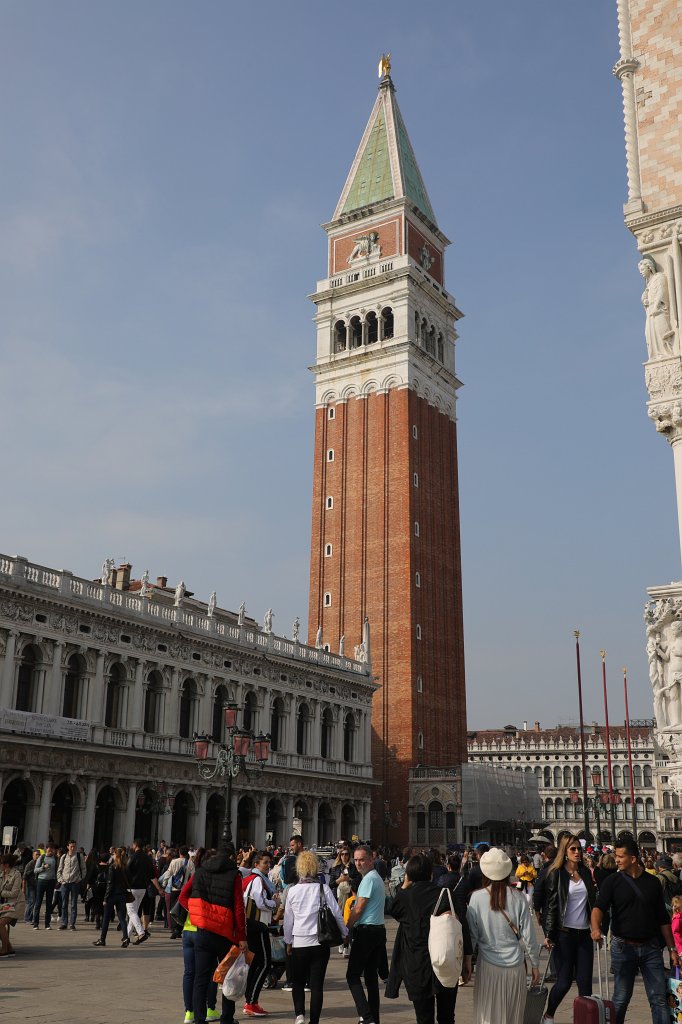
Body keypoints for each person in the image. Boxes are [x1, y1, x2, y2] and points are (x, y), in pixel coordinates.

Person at [591, 836, 679, 1024]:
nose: (617, 860)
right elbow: (598, 908)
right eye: (616, 856)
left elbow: (663, 919)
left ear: (633, 858)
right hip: (623, 947)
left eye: (620, 856)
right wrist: (596, 929)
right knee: (621, 999)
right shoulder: (612, 881)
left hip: (651, 948)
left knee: (659, 999)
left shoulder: (653, 882)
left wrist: (672, 950)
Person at [388, 853, 472, 1024]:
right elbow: (462, 927)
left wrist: (404, 884)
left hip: (417, 965)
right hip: (446, 960)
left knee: (423, 1018)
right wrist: (467, 960)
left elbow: (392, 909)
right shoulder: (445, 894)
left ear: (409, 875)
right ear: (431, 874)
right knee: (447, 1016)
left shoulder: (406, 897)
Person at [466, 847, 540, 1024]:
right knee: (513, 1016)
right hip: (515, 966)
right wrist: (535, 964)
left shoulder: (476, 898)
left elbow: (472, 936)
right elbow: (529, 936)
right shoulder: (519, 897)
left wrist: (467, 962)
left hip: (488, 966)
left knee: (488, 1015)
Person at [283, 849, 347, 1024]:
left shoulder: (293, 891)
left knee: (297, 981)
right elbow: (336, 913)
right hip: (320, 942)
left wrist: (288, 941)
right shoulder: (323, 888)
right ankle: (315, 1021)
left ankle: (299, 1015)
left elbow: (288, 920)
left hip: (300, 942)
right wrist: (344, 933)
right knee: (317, 985)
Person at [188, 843, 248, 1024]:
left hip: (203, 930)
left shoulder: (199, 872)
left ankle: (199, 1019)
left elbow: (190, 896)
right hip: (225, 933)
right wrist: (242, 936)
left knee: (201, 978)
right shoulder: (234, 875)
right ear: (230, 857)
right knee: (227, 977)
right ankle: (227, 1018)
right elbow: (239, 907)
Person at [541, 834, 597, 1024]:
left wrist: (597, 927)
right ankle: (549, 1014)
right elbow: (551, 906)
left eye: (578, 849)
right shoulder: (556, 873)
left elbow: (593, 903)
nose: (577, 852)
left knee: (585, 984)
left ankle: (584, 1019)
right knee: (564, 982)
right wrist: (548, 934)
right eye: (572, 849)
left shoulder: (585, 873)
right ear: (564, 852)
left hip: (584, 935)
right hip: (564, 935)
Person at [177, 847, 222, 1024]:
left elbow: (182, 896)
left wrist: (193, 911)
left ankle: (189, 1012)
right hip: (205, 930)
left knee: (189, 973)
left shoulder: (196, 876)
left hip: (188, 929)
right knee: (209, 973)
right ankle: (210, 1008)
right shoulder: (213, 877)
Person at [345, 845, 387, 1024]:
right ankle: (374, 1018)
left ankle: (367, 1017)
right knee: (370, 978)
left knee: (352, 975)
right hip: (378, 931)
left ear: (371, 859)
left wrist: (347, 928)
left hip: (367, 931)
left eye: (362, 859)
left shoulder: (369, 879)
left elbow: (359, 907)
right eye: (355, 860)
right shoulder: (375, 877)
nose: (358, 863)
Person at [243, 850, 279, 1017]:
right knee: (264, 962)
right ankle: (251, 1001)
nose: (268, 865)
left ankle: (250, 1000)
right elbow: (260, 901)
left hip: (249, 926)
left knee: (256, 963)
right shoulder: (257, 880)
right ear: (256, 864)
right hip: (258, 926)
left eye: (269, 862)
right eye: (265, 862)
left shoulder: (249, 878)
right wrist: (274, 903)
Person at [93, 847, 132, 948]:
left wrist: (105, 898)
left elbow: (110, 884)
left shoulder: (112, 867)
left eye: (113, 854)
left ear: (116, 855)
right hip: (122, 895)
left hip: (112, 896)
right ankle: (125, 937)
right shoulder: (125, 867)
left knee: (106, 918)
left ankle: (102, 939)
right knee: (122, 918)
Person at [127, 837, 155, 944]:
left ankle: (141, 932)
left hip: (132, 888)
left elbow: (127, 871)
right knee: (133, 912)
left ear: (135, 845)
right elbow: (152, 874)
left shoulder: (132, 857)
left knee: (131, 911)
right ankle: (127, 935)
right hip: (143, 888)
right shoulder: (148, 858)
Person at [57, 839, 86, 930]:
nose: (73, 848)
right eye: (71, 846)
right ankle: (64, 923)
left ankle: (72, 923)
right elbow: (59, 870)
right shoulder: (64, 856)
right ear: (68, 847)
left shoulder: (79, 856)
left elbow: (84, 869)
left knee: (74, 904)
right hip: (65, 883)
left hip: (75, 883)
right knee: (64, 904)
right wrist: (61, 880)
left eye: (74, 846)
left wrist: (80, 879)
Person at [0, 853, 24, 958]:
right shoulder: (1, 874)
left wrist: (1, 892)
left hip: (17, 904)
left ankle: (4, 949)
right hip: (6, 904)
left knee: (0, 924)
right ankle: (9, 949)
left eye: (1, 863)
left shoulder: (16, 874)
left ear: (6, 864)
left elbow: (14, 893)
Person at [532, 844, 557, 934]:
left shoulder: (544, 872)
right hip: (565, 912)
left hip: (548, 911)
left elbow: (537, 892)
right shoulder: (563, 869)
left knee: (551, 940)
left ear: (545, 856)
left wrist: (537, 911)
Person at [32, 842, 58, 929]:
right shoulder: (42, 857)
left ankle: (47, 924)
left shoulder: (55, 858)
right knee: (38, 903)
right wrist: (43, 867)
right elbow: (35, 870)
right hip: (41, 881)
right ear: (46, 849)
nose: (51, 851)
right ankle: (36, 924)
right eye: (49, 849)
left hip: (51, 882)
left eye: (52, 849)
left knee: (49, 904)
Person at [22, 850, 39, 923]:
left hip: (37, 885)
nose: (37, 856)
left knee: (34, 902)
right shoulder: (30, 864)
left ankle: (30, 917)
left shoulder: (40, 863)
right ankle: (27, 918)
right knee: (31, 902)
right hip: (30, 885)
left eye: (38, 855)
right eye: (36, 855)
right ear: (33, 855)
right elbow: (24, 877)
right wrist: (23, 887)